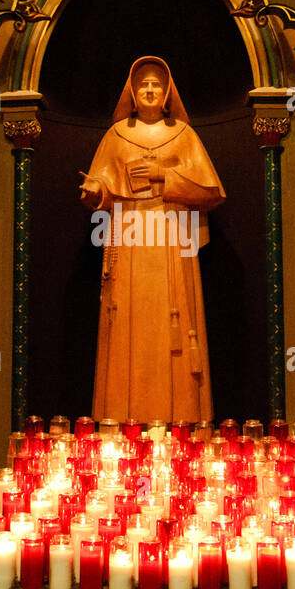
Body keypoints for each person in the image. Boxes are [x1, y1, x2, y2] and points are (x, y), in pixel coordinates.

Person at [79, 56, 225, 422]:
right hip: (128, 235)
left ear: (167, 93)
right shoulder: (115, 136)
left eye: (156, 85)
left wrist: (164, 177)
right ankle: (122, 417)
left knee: (173, 324)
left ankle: (182, 417)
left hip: (171, 234)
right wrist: (95, 192)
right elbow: (102, 187)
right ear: (131, 91)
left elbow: (212, 192)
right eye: (142, 84)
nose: (148, 90)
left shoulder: (184, 136)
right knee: (125, 321)